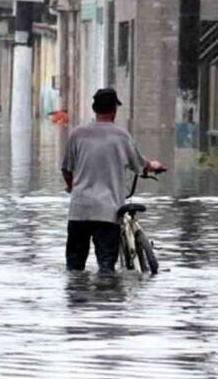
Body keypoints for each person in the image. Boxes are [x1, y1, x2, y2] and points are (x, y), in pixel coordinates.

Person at [60, 88, 165, 274]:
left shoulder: (77, 134)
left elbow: (66, 169)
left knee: (74, 269)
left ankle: (76, 299)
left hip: (79, 211)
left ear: (94, 109)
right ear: (114, 111)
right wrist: (153, 166)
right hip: (108, 213)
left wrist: (71, 186)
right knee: (107, 269)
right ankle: (106, 300)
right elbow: (140, 164)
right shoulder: (121, 136)